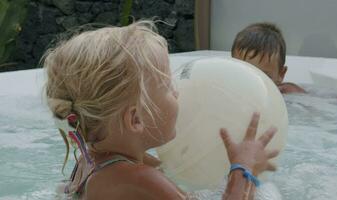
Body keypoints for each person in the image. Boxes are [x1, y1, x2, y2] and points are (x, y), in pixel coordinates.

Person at [44, 21, 279, 200]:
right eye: (167, 87)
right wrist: (244, 169)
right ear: (135, 119)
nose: (177, 93)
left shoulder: (88, 161)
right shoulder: (141, 177)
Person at [231, 22, 306, 94]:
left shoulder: (288, 92)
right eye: (243, 74)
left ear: (281, 74)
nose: (251, 84)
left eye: (264, 77)